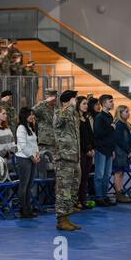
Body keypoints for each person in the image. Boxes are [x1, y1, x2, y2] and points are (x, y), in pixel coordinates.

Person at [53, 90, 82, 231]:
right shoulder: (60, 112)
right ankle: (61, 219)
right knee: (63, 189)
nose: (76, 102)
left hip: (74, 157)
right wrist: (69, 106)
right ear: (68, 100)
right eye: (74, 99)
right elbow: (58, 123)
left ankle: (67, 217)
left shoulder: (75, 114)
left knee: (73, 188)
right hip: (64, 158)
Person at [16, 107, 39, 218]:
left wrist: (37, 153)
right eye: (30, 114)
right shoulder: (21, 128)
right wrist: (31, 156)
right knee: (24, 185)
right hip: (24, 158)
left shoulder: (30, 127)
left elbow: (34, 143)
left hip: (32, 158)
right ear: (25, 115)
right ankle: (23, 208)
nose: (32, 116)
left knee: (29, 185)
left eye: (33, 114)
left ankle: (28, 208)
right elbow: (23, 145)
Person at [94, 94, 116, 207]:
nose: (113, 103)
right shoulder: (99, 117)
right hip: (101, 149)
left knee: (107, 175)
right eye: (110, 101)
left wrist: (113, 149)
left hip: (109, 149)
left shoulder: (110, 116)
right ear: (103, 103)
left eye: (113, 101)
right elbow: (97, 134)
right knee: (99, 175)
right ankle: (99, 197)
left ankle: (104, 195)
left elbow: (111, 136)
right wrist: (110, 128)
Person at [112, 105, 131, 203]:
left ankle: (121, 191)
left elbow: (130, 139)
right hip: (119, 151)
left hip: (124, 152)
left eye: (128, 111)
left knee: (121, 173)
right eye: (126, 111)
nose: (128, 113)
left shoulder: (126, 124)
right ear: (120, 113)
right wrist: (128, 150)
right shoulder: (119, 124)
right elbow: (119, 140)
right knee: (118, 173)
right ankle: (118, 194)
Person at [76, 96, 95, 209]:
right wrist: (87, 149)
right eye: (83, 103)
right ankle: (77, 200)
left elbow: (90, 135)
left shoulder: (86, 118)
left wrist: (92, 148)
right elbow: (79, 137)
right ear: (78, 104)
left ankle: (83, 199)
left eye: (87, 104)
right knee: (79, 177)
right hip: (81, 151)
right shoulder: (76, 118)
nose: (86, 106)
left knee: (85, 177)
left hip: (89, 151)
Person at [32, 89, 58, 157]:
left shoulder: (57, 108)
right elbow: (33, 110)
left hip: (55, 141)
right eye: (52, 97)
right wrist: (45, 101)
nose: (55, 99)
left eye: (55, 97)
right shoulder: (42, 108)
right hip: (45, 142)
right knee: (44, 163)